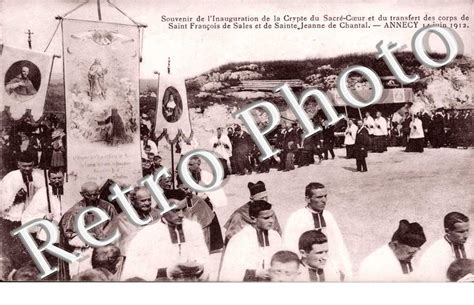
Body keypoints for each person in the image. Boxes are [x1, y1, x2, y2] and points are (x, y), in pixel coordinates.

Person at [121, 190, 209, 281]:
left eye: (184, 209)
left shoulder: (194, 228)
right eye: (176, 210)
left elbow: (204, 259)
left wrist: (200, 268)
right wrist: (165, 272)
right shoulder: (146, 234)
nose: (181, 215)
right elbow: (132, 270)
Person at [283, 182, 352, 279]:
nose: (324, 200)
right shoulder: (297, 217)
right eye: (319, 197)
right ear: (308, 199)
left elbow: (339, 244)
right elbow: (289, 247)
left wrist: (345, 268)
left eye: (325, 196)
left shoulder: (328, 216)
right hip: (306, 270)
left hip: (329, 267)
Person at [59, 182, 117, 280]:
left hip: (105, 252)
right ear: (82, 194)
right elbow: (69, 235)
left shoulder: (108, 208)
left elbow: (116, 227)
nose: (93, 198)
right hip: (84, 253)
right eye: (89, 195)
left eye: (95, 194)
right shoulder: (74, 212)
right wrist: (88, 239)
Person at [0, 153, 45, 268]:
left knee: (32, 248)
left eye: (30, 166)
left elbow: (43, 196)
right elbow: (2, 200)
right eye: (24, 166)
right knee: (16, 250)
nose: (27, 169)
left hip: (31, 217)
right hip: (14, 219)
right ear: (18, 164)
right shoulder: (10, 178)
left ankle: (30, 272)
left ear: (33, 164)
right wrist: (15, 197)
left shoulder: (39, 177)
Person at [219, 200, 282, 281]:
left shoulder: (275, 236)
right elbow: (228, 273)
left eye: (272, 216)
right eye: (266, 218)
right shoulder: (239, 240)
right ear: (253, 219)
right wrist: (255, 273)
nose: (272, 221)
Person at [358, 219, 426, 281]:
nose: (413, 256)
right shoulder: (374, 264)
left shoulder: (404, 259)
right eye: (409, 252)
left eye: (415, 252)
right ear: (394, 245)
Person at [104, 186, 161, 255]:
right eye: (143, 200)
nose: (147, 203)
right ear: (133, 201)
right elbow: (106, 240)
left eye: (149, 200)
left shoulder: (156, 214)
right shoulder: (121, 219)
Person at [418, 212, 471, 281]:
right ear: (448, 231)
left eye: (467, 230)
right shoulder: (435, 253)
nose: (466, 236)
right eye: (461, 232)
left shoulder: (470, 246)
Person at [21, 167, 64, 241]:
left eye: (59, 178)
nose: (57, 181)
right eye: (54, 178)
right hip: (49, 234)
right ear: (49, 179)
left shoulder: (68, 191)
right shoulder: (42, 193)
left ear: (64, 177)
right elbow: (28, 215)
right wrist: (44, 217)